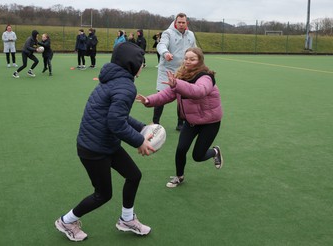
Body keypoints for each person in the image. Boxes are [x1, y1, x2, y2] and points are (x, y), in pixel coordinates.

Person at [55, 42, 153, 242]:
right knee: (103, 194)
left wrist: (143, 128)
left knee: (133, 175)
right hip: (93, 149)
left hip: (105, 143)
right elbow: (116, 122)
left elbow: (118, 116)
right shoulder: (126, 86)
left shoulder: (113, 80)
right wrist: (139, 141)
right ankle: (66, 221)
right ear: (132, 64)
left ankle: (126, 219)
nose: (143, 65)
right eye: (142, 62)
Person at [136, 47, 223, 188]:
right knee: (181, 149)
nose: (188, 61)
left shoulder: (206, 77)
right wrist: (148, 101)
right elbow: (167, 95)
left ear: (199, 61)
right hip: (191, 121)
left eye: (192, 59)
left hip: (209, 122)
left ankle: (215, 151)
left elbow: (199, 92)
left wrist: (177, 84)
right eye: (186, 58)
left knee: (198, 156)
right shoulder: (181, 75)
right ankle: (179, 176)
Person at [154, 13, 197, 131]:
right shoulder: (168, 33)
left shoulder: (191, 35)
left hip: (183, 70)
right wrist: (165, 53)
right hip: (166, 70)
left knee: (182, 97)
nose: (181, 24)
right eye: (179, 22)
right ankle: (155, 122)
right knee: (161, 97)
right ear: (175, 22)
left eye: (184, 22)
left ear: (186, 23)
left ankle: (180, 123)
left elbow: (194, 50)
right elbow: (161, 45)